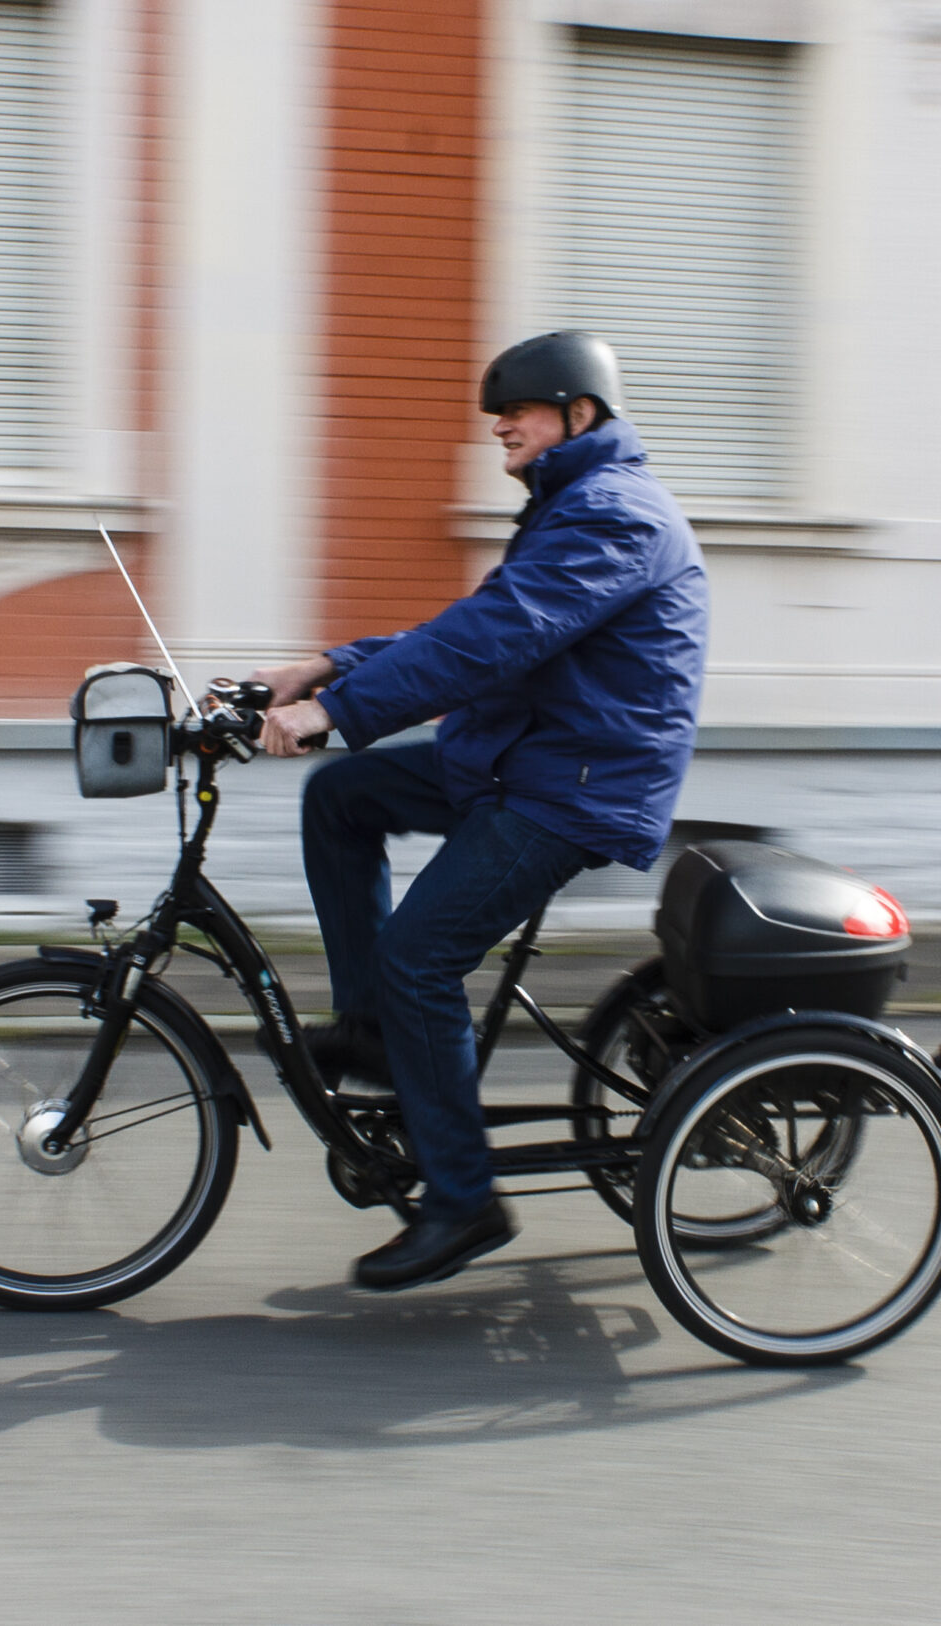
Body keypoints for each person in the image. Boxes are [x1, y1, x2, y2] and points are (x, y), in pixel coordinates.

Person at [248, 331, 709, 1293]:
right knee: (343, 797)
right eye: (498, 409)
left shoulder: (614, 516)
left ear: (580, 415)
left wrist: (337, 710)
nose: (500, 423)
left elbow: (496, 639)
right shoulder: (568, 506)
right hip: (523, 755)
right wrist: (332, 665)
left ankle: (464, 1203)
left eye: (523, 407)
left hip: (578, 785)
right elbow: (475, 626)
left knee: (423, 956)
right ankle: (375, 1030)